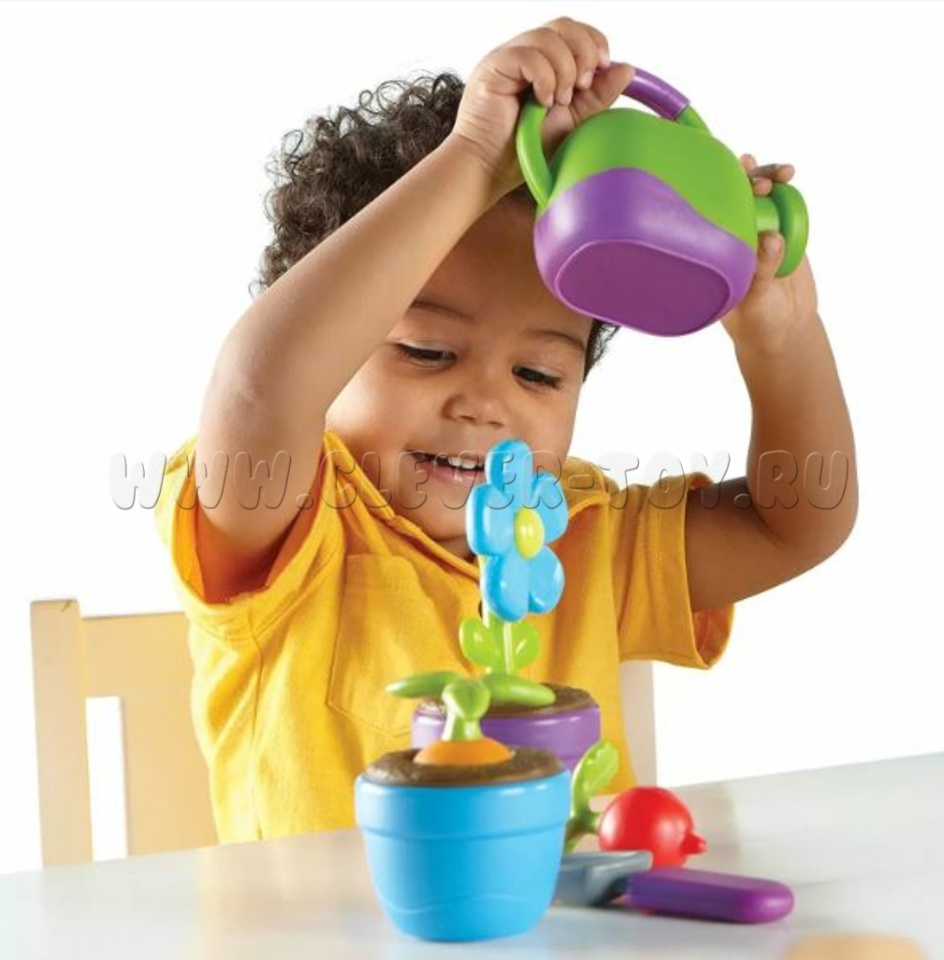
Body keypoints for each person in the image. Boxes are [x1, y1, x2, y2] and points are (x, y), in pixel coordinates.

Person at [155, 17, 857, 842]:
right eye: (427, 352)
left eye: (538, 375)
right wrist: (475, 159)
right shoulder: (289, 525)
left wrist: (783, 341)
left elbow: (797, 521)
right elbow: (258, 389)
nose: (485, 405)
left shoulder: (587, 531)